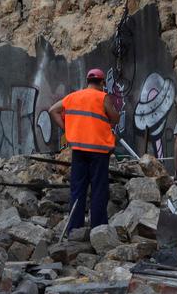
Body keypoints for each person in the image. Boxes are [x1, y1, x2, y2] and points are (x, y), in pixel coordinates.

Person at [49, 69, 120, 232]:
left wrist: (68, 130)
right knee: (98, 189)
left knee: (78, 188)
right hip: (99, 151)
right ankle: (98, 228)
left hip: (79, 149)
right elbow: (115, 118)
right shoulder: (102, 97)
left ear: (87, 81)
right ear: (102, 83)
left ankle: (74, 228)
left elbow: (52, 110)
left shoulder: (73, 97)